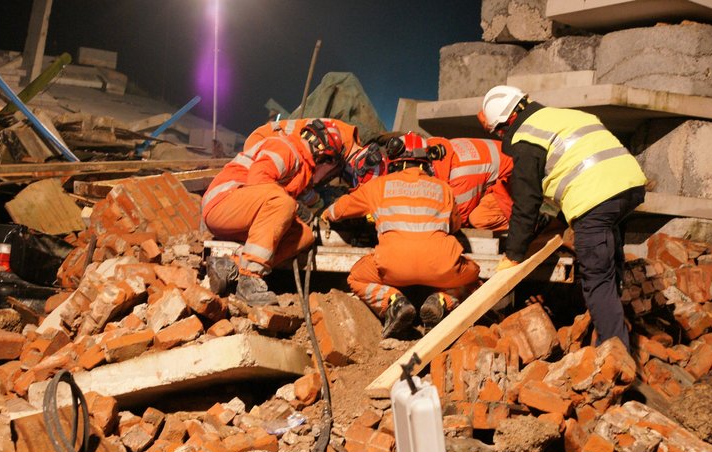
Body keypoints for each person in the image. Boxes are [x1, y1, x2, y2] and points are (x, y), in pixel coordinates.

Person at [478, 85, 647, 351]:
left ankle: (614, 355)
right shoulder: (564, 117)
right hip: (629, 187)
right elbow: (576, 166)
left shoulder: (526, 139)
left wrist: (514, 254)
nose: (502, 136)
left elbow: (526, 203)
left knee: (597, 278)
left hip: (596, 200)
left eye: (499, 131)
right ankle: (613, 330)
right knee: (610, 264)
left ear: (507, 122)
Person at [321, 132, 480, 338]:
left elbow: (340, 210)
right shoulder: (444, 188)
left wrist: (325, 213)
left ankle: (394, 302)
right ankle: (442, 301)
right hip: (441, 266)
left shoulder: (378, 186)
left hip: (392, 266)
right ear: (426, 162)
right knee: (473, 277)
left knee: (356, 277)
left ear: (394, 160)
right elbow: (455, 225)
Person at [202, 119, 344, 306]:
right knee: (283, 203)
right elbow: (258, 180)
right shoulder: (285, 148)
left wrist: (329, 205)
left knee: (303, 235)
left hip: (242, 211)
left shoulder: (302, 168)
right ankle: (249, 279)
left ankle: (230, 266)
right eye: (331, 164)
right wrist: (296, 207)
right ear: (322, 154)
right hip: (222, 203)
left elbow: (310, 198)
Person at [426, 136, 514, 231]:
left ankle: (522, 225)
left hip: (517, 182)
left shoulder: (459, 176)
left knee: (479, 218)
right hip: (514, 170)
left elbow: (460, 220)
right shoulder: (444, 150)